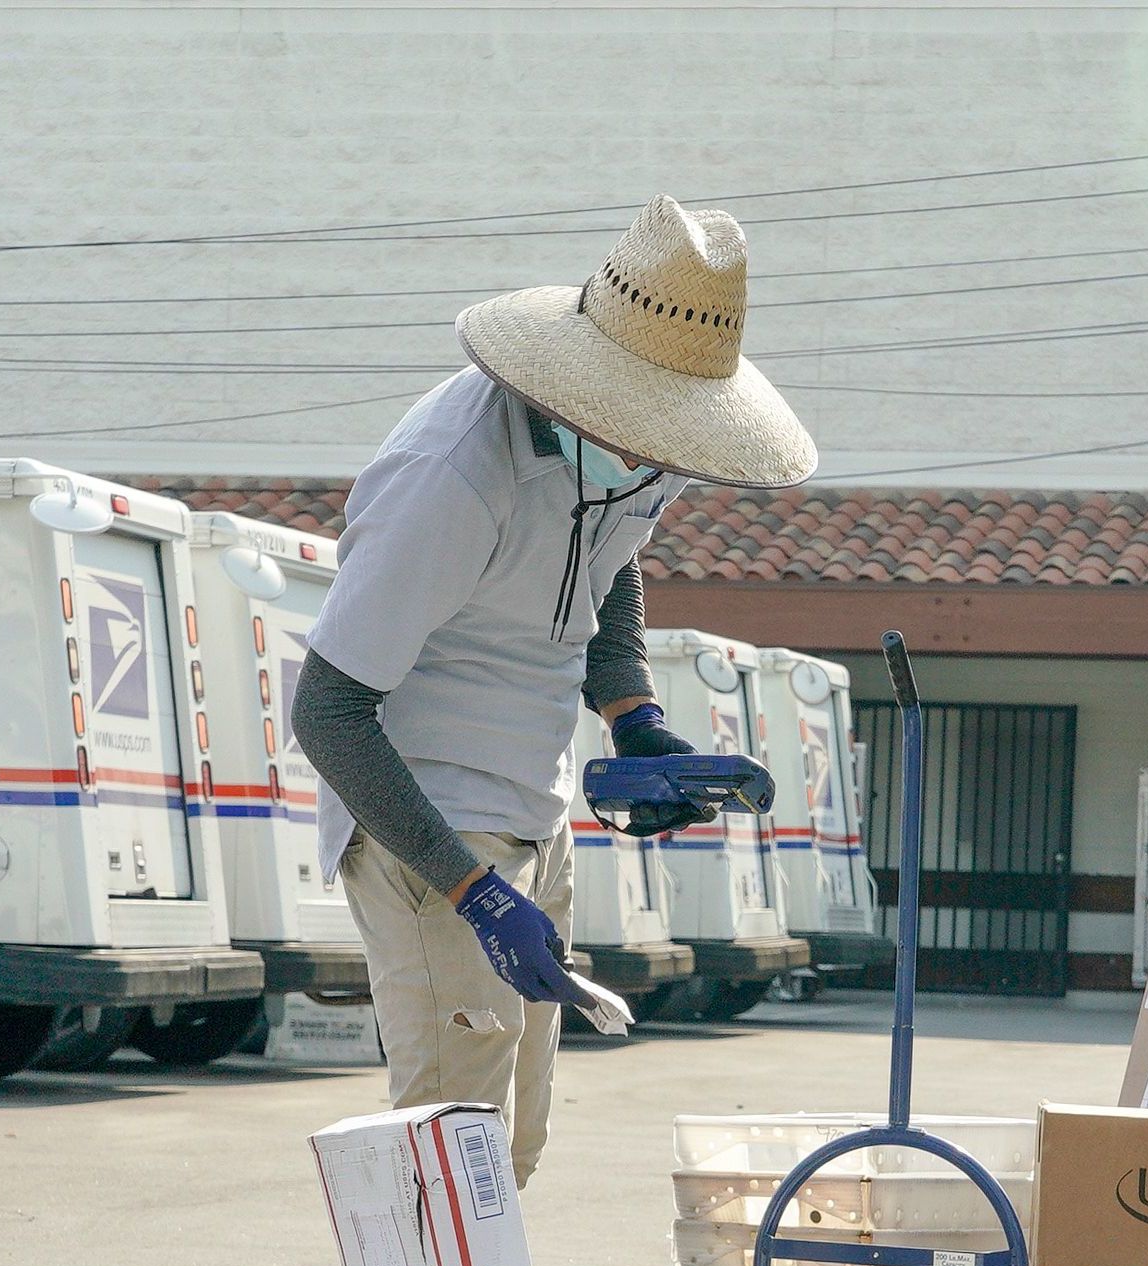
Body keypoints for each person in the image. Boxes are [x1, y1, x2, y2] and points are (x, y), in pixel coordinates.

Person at [289, 196, 815, 1186]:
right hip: (428, 821)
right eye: (645, 434)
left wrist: (633, 715)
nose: (661, 462)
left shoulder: (630, 450)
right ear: (575, 393)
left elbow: (610, 557)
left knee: (509, 1149)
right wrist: (474, 893)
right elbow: (326, 714)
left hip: (536, 806)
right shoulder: (448, 482)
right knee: (448, 1155)